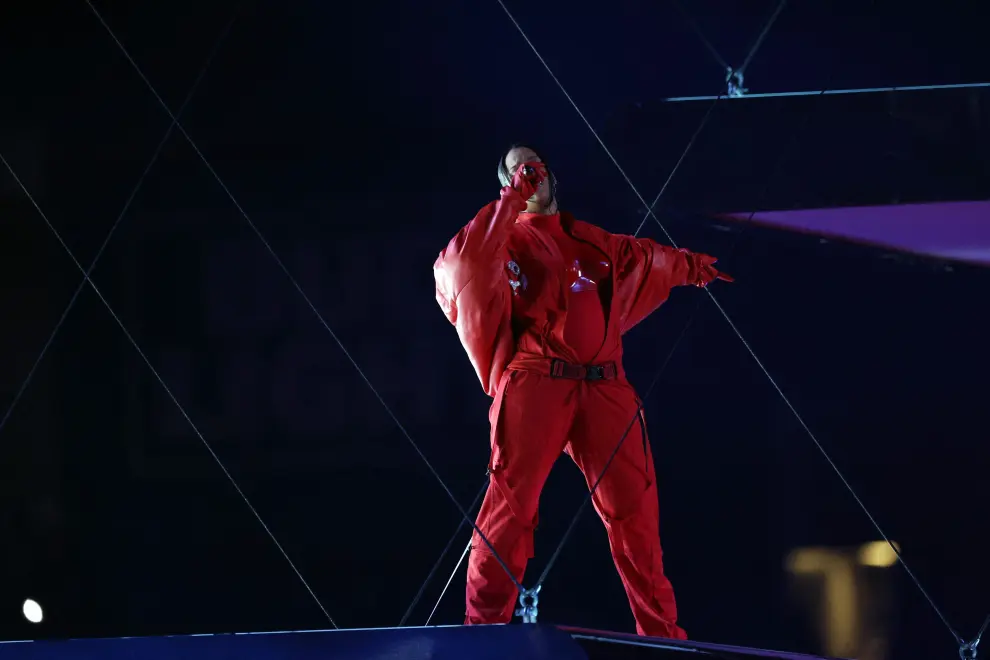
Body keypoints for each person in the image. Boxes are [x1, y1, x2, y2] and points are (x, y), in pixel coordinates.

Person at [433, 144, 731, 639]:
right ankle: (481, 632)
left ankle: (660, 636)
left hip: (604, 385)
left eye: (537, 166)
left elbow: (643, 259)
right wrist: (510, 201)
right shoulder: (502, 240)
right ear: (507, 183)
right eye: (519, 169)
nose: (532, 173)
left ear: (553, 175)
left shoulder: (589, 241)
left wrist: (690, 267)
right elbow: (461, 262)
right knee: (509, 507)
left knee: (636, 512)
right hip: (537, 382)